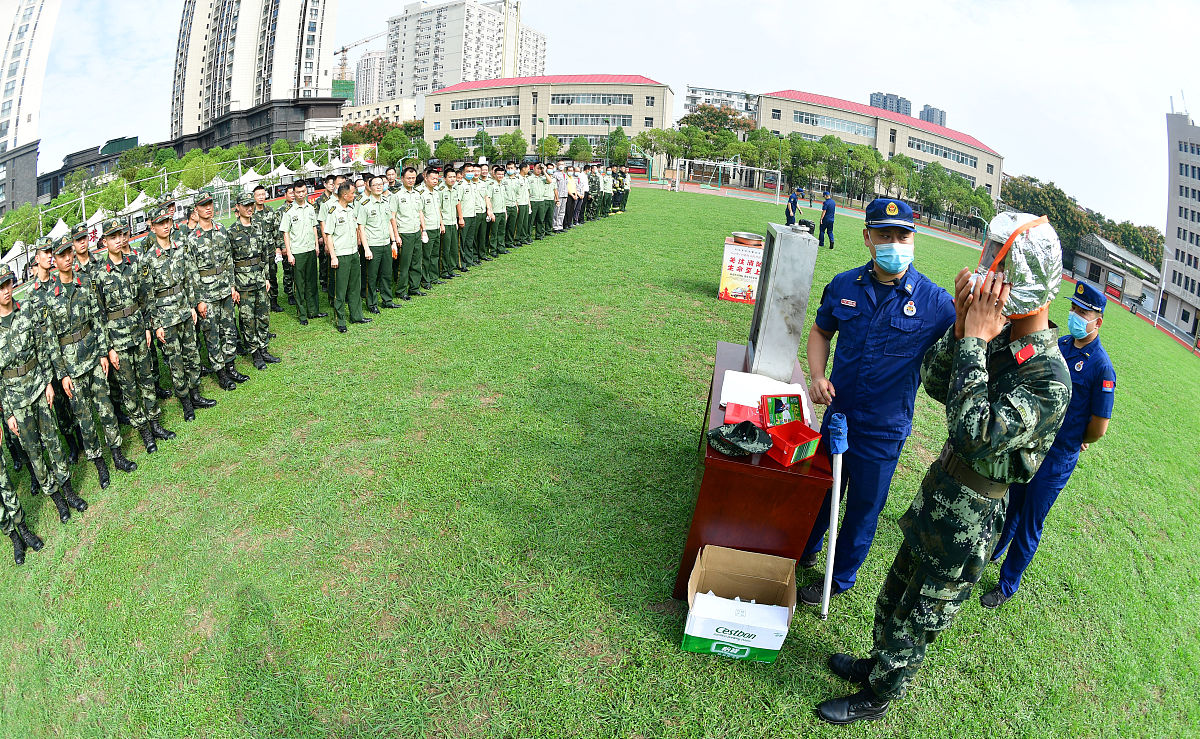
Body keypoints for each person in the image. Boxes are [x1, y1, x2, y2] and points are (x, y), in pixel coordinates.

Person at [816, 212, 1071, 724]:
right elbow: (935, 382)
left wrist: (975, 341)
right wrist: (960, 327)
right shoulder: (998, 338)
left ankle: (878, 695)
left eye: (998, 272)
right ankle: (876, 664)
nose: (987, 280)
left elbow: (974, 432)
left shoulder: (1049, 376)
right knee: (896, 593)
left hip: (972, 515)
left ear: (1024, 283)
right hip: (942, 490)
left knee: (920, 614)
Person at [800, 199, 955, 607]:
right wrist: (817, 375)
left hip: (884, 432)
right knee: (820, 492)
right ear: (867, 237)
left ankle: (837, 579)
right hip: (838, 419)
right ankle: (806, 549)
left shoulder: (935, 303)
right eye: (884, 235)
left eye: (902, 236)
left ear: (913, 240)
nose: (894, 244)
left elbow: (971, 336)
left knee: (863, 511)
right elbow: (820, 332)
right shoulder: (844, 285)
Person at [981, 281, 1115, 609]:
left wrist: (1077, 439)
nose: (1075, 315)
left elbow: (1098, 427)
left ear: (1098, 321)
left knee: (1030, 520)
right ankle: (994, 552)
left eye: (1083, 312)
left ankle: (1006, 585)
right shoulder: (1062, 343)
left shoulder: (1102, 367)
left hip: (1057, 457)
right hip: (1033, 445)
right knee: (1013, 503)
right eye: (1073, 308)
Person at [43, 236, 140, 485]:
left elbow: (97, 320)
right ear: (54, 260)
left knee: (106, 409)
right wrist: (63, 374)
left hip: (94, 359)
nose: (68, 258)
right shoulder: (50, 298)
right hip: (72, 368)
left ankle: (117, 456)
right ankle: (100, 465)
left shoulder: (84, 283)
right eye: (62, 255)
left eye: (69, 253)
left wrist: (103, 352)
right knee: (85, 419)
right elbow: (52, 342)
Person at [0, 262, 87, 524]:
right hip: (16, 401)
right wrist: (8, 413)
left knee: (53, 443)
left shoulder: (26, 310)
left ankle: (69, 491)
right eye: (0, 287)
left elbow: (41, 349)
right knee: (34, 453)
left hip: (38, 387)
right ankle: (57, 500)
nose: (6, 290)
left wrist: (48, 383)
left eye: (7, 284)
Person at [91, 222, 174, 452]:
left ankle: (155, 424)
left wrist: (148, 327)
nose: (118, 240)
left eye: (120, 235)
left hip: (138, 332)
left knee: (147, 380)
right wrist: (109, 348)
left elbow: (145, 298)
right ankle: (144, 432)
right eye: (113, 237)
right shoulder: (99, 274)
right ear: (105, 242)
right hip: (118, 341)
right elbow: (99, 316)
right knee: (128, 388)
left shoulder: (134, 263)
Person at [141, 204, 215, 421]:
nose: (165, 226)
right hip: (166, 317)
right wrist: (157, 325)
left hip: (184, 310)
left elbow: (189, 279)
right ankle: (186, 403)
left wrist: (192, 305)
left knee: (192, 354)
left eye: (167, 222)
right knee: (176, 361)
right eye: (160, 223)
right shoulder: (148, 259)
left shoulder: (180, 248)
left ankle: (196, 394)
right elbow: (148, 296)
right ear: (153, 228)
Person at [184, 194, 247, 391]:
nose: (208, 208)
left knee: (229, 329)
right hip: (207, 294)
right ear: (196, 210)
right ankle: (221, 374)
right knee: (212, 334)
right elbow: (191, 272)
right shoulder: (192, 239)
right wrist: (199, 301)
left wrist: (232, 286)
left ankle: (231, 367)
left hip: (225, 290)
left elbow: (228, 260)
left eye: (210, 204)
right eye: (204, 206)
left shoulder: (221, 230)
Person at [229, 193, 279, 370]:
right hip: (243, 283)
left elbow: (265, 254)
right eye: (245, 205)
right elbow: (229, 261)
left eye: (251, 205)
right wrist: (233, 287)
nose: (249, 208)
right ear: (238, 207)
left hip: (259, 279)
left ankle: (264, 348)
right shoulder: (232, 232)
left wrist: (266, 277)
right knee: (248, 320)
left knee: (263, 316)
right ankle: (255, 353)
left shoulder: (258, 227)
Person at [327, 181, 370, 333]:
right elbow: (329, 236)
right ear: (345, 195)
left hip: (353, 253)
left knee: (355, 286)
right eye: (352, 193)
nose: (354, 195)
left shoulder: (351, 210)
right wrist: (333, 256)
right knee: (340, 289)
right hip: (341, 255)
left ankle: (356, 315)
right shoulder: (333, 212)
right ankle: (340, 321)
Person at [279, 182, 322, 326]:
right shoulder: (289, 211)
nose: (301, 194)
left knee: (312, 282)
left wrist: (316, 245)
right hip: (298, 251)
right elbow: (286, 233)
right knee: (300, 284)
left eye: (303, 191)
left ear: (306, 191)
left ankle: (313, 311)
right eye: (298, 192)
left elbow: (314, 227)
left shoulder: (310, 208)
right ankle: (302, 314)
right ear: (294, 193)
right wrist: (289, 254)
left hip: (310, 249)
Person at [357, 174, 398, 313]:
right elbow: (361, 227)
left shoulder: (386, 202)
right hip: (373, 245)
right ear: (369, 187)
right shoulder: (365, 205)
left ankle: (387, 300)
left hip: (385, 243)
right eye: (375, 185)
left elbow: (389, 223)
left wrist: (393, 241)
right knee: (372, 276)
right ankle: (372, 303)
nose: (379, 187)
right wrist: (366, 248)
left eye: (381, 184)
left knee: (386, 274)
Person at [392, 167, 427, 300]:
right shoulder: (396, 195)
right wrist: (396, 236)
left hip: (416, 231)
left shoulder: (417, 194)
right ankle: (401, 290)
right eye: (408, 178)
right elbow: (392, 217)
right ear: (402, 179)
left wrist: (423, 230)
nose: (411, 180)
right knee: (404, 264)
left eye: (413, 178)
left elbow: (420, 212)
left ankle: (414, 287)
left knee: (416, 262)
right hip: (404, 232)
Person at [417, 167, 444, 285]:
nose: (435, 181)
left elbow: (438, 209)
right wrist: (423, 229)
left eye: (437, 179)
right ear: (426, 178)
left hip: (436, 227)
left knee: (435, 255)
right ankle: (425, 280)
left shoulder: (436, 192)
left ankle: (434, 277)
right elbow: (420, 212)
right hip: (427, 228)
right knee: (426, 256)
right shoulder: (420, 193)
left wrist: (441, 224)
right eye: (432, 179)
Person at [435, 166, 460, 280]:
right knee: (445, 249)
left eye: (454, 177)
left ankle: (451, 268)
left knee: (453, 248)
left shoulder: (454, 190)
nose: (452, 179)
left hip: (453, 222)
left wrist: (456, 221)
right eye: (450, 177)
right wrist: (441, 224)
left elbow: (454, 206)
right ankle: (444, 271)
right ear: (444, 178)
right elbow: (438, 208)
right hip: (444, 223)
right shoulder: (440, 190)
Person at [488, 165, 510, 258]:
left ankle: (501, 247)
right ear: (494, 174)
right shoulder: (491, 185)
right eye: (499, 174)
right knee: (494, 232)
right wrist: (491, 212)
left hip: (502, 211)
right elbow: (488, 199)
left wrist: (505, 212)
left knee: (501, 231)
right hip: (495, 212)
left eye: (502, 174)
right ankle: (492, 249)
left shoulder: (503, 185)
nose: (500, 176)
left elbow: (504, 200)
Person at [552, 163, 569, 232]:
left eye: (562, 164)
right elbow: (554, 186)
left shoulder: (565, 174)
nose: (561, 166)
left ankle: (560, 226)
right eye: (560, 164)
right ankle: (555, 227)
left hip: (564, 195)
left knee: (562, 212)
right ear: (557, 166)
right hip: (558, 196)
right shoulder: (555, 174)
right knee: (556, 212)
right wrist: (556, 197)